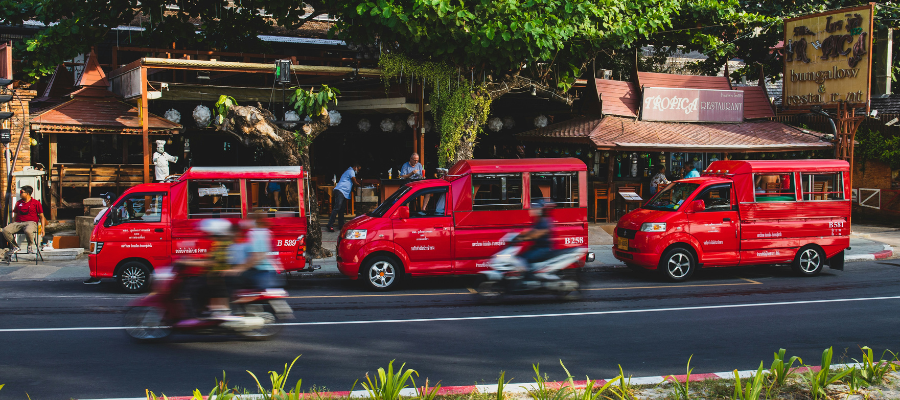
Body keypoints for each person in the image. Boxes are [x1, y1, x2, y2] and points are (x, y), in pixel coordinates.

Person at [230, 211, 282, 290]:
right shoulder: (265, 231)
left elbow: (257, 257)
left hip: (261, 272)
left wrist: (239, 269)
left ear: (254, 220)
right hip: (266, 271)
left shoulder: (254, 233)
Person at [3, 185, 47, 257]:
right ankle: (15, 246)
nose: (20, 193)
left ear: (28, 193)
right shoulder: (18, 203)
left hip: (31, 222)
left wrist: (43, 229)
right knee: (5, 230)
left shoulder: (36, 203)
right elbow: (15, 215)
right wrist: (12, 224)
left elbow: (42, 216)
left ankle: (30, 245)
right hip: (18, 222)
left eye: (22, 192)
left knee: (28, 231)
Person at [514, 200, 555, 278]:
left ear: (539, 210)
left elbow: (536, 235)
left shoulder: (544, 221)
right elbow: (532, 231)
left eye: (533, 208)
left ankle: (529, 279)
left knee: (524, 259)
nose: (531, 210)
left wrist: (523, 238)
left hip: (543, 249)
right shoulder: (538, 220)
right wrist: (520, 234)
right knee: (521, 256)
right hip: (537, 247)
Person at [326, 163, 361, 232]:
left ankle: (341, 225)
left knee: (341, 209)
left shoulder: (348, 171)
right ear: (355, 167)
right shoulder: (351, 171)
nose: (358, 171)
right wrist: (358, 184)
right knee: (337, 208)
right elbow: (354, 180)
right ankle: (330, 224)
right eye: (358, 169)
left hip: (344, 192)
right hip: (341, 191)